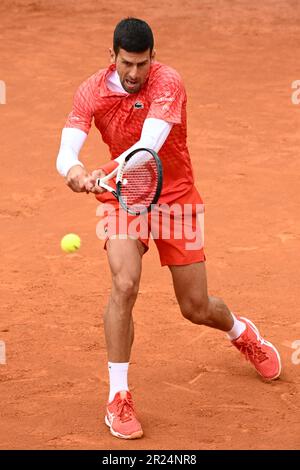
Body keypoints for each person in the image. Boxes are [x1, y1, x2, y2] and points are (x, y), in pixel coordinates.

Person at [56, 17, 281, 440]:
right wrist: (72, 169)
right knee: (124, 284)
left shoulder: (168, 82)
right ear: (112, 57)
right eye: (127, 63)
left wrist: (98, 171)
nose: (134, 73)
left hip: (174, 195)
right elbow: (67, 146)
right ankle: (118, 396)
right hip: (123, 197)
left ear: (152, 58)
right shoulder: (91, 91)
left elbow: (148, 146)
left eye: (142, 63)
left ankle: (240, 332)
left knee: (195, 307)